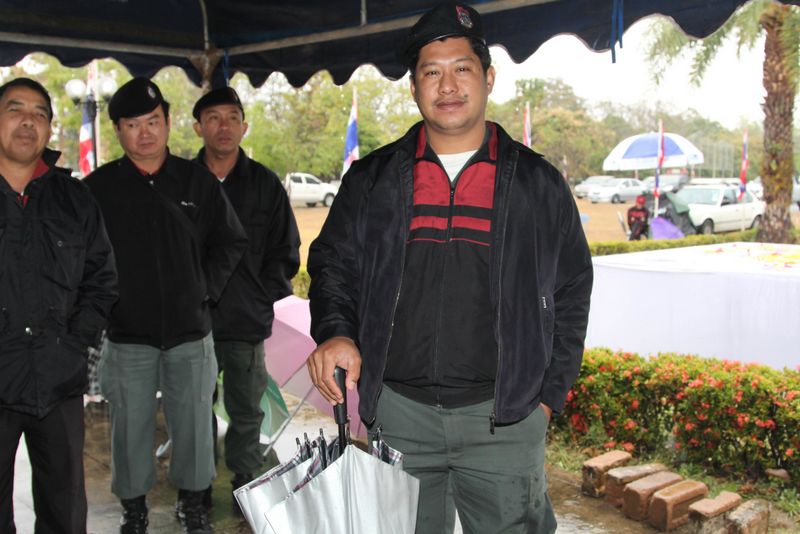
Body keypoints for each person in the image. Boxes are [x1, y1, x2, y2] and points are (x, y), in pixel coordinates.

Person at [305, 3, 593, 533]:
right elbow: (333, 266)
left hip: (505, 419)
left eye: (462, 68)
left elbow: (572, 290)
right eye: (431, 72)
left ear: (488, 78)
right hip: (399, 416)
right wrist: (336, 331)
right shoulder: (372, 180)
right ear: (414, 88)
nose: (448, 85)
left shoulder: (537, 183)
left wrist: (547, 400)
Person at [84, 77, 247, 534]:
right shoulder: (99, 188)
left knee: (194, 426)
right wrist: (104, 303)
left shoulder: (197, 181)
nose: (145, 133)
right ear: (118, 130)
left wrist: (203, 289)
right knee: (129, 428)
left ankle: (193, 506)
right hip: (127, 334)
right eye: (133, 124)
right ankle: (134, 511)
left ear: (169, 123)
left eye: (153, 121)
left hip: (190, 333)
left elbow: (230, 241)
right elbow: (81, 255)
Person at [0, 77, 118, 534]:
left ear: (50, 129)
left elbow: (102, 280)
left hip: (58, 379)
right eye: (15, 109)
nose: (28, 121)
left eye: (40, 114)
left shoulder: (74, 198)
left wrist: (74, 344)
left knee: (65, 511)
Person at [191, 87, 300, 513]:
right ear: (198, 127)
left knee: (247, 410)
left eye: (232, 118)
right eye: (213, 118)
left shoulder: (264, 185)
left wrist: (260, 297)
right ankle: (196, 485)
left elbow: (285, 250)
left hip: (245, 320)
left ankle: (244, 481)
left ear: (244, 126)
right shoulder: (183, 181)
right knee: (194, 408)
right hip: (192, 322)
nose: (224, 127)